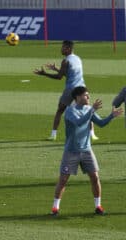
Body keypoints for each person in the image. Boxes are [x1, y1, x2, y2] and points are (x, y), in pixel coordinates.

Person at [50, 86, 122, 216]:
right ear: (77, 97)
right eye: (86, 95)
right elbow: (79, 122)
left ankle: (98, 206)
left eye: (88, 95)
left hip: (87, 150)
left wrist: (112, 116)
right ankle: (55, 208)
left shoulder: (89, 109)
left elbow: (100, 123)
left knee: (95, 177)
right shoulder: (70, 111)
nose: (88, 97)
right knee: (63, 180)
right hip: (71, 151)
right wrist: (92, 110)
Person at [34, 40, 99, 141]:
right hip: (82, 88)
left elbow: (59, 77)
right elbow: (70, 73)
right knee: (88, 110)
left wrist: (44, 74)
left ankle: (53, 135)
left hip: (70, 89)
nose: (61, 49)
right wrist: (57, 69)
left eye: (63, 47)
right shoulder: (78, 59)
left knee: (60, 110)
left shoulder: (65, 61)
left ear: (69, 48)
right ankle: (92, 134)